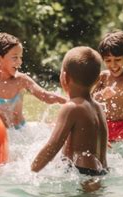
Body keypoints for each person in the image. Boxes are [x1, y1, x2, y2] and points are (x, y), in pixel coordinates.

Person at [31, 46, 108, 179]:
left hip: (81, 172)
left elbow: (52, 146)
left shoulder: (72, 107)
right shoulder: (98, 107)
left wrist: (30, 171)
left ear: (64, 77)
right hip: (100, 171)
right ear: (97, 80)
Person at [0, 32, 66, 129]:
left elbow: (44, 95)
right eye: (15, 57)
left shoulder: (21, 79)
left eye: (20, 57)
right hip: (0, 132)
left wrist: (65, 101)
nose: (20, 62)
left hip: (20, 132)